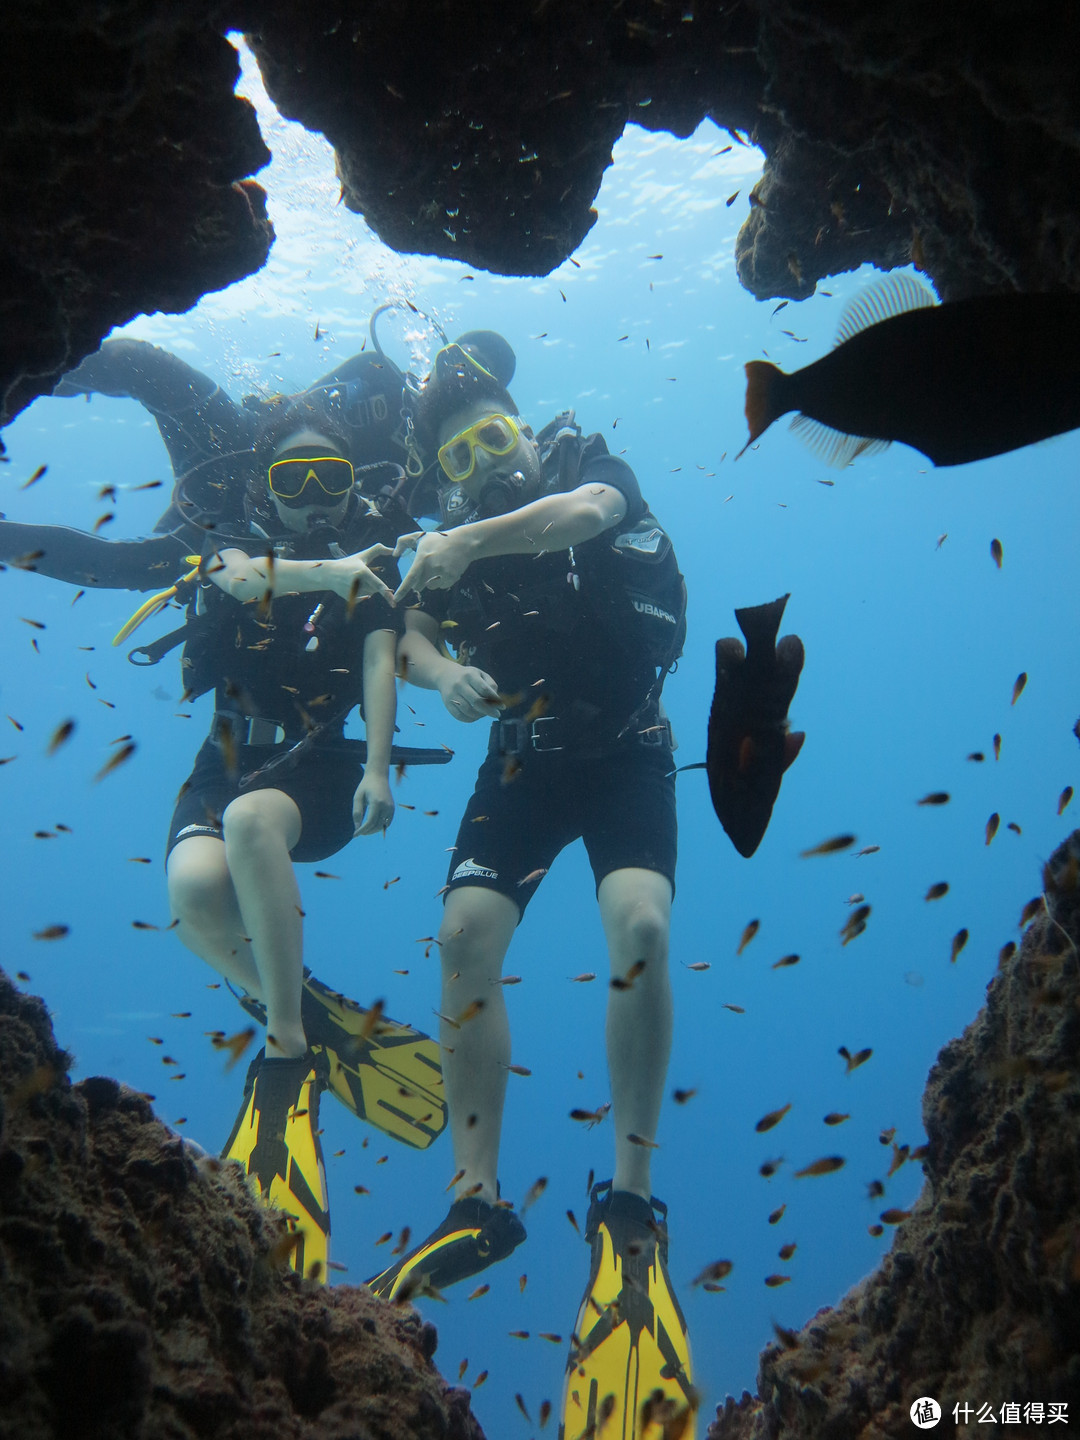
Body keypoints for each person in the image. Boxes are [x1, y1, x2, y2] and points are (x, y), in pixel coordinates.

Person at [368, 339, 696, 1425]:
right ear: (444, 466)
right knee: (464, 938)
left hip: (628, 751)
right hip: (523, 758)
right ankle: (477, 1199)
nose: (487, 457)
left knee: (639, 920)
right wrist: (443, 670)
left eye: (495, 434)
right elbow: (401, 630)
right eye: (463, 452)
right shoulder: (442, 545)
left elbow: (593, 510)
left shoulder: (583, 462)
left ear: (525, 427)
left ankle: (632, 1201)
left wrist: (464, 536)